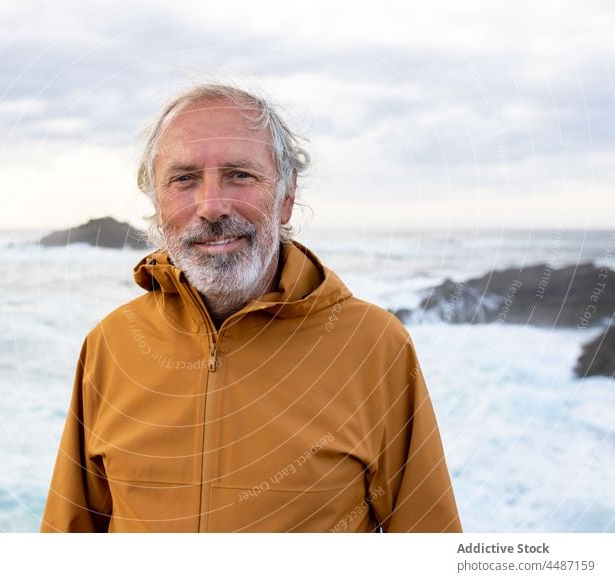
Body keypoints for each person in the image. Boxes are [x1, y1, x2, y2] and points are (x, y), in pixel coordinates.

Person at [40, 83, 462, 533]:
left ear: (286, 195)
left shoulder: (375, 346)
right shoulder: (112, 343)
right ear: (156, 201)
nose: (211, 207)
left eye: (239, 174)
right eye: (183, 179)